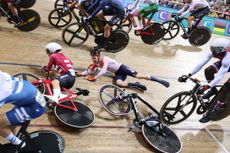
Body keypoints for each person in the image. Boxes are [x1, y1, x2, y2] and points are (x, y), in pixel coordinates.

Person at [178, 38, 230, 119]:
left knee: (226, 87)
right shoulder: (216, 51)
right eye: (212, 48)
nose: (213, 51)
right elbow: (201, 63)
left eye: (215, 49)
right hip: (226, 62)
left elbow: (219, 77)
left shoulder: (227, 59)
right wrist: (189, 74)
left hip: (228, 62)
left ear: (222, 50)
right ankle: (213, 91)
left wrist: (206, 87)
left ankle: (217, 108)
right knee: (208, 70)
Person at [78, 48, 170, 91]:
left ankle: (159, 80)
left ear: (98, 56)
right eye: (92, 58)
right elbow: (89, 70)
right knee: (119, 84)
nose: (93, 60)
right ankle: (136, 85)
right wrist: (81, 74)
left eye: (94, 58)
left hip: (123, 68)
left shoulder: (105, 59)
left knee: (138, 75)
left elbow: (103, 71)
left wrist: (94, 78)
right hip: (118, 73)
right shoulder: (96, 62)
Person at [0, 71, 46, 152]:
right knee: (7, 125)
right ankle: (13, 144)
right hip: (29, 99)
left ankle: (20, 145)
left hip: (34, 107)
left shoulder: (3, 92)